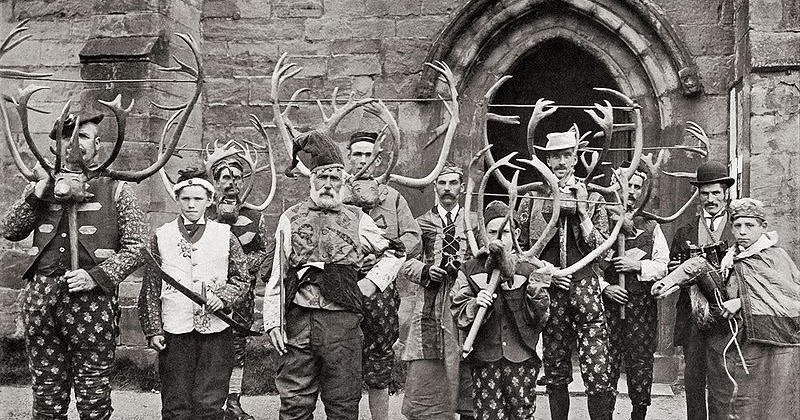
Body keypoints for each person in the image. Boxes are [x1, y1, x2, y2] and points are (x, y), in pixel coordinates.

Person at [0, 113, 147, 419]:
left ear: (98, 145)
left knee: (93, 395)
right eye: (67, 136)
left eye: (83, 136)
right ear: (56, 146)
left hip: (92, 303)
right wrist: (39, 191)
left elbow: (137, 248)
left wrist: (96, 276)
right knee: (46, 393)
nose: (74, 142)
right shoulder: (42, 185)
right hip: (42, 300)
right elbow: (10, 229)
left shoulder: (117, 189)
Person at [262, 130, 406, 420]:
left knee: (342, 403)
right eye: (322, 179)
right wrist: (272, 321)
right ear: (312, 181)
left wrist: (370, 283)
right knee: (294, 402)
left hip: (343, 323)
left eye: (334, 180)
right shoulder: (290, 217)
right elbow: (278, 270)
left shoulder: (358, 219)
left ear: (342, 184)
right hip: (299, 319)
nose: (328, 186)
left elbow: (396, 252)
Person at [516, 126, 613, 420]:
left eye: (566, 156)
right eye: (554, 156)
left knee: (598, 372)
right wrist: (547, 274)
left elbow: (605, 253)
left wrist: (583, 212)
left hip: (586, 293)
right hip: (551, 294)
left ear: (575, 158)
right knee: (556, 371)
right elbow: (520, 253)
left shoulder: (594, 198)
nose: (560, 162)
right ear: (547, 159)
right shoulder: (531, 199)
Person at [138, 167, 250, 420]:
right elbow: (150, 288)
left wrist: (223, 296)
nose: (191, 204)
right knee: (176, 402)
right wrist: (154, 329)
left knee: (209, 404)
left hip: (215, 333)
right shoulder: (161, 236)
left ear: (209, 201)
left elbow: (242, 278)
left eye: (198, 199)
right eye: (185, 198)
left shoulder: (224, 235)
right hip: (175, 332)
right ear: (177, 199)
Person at [344, 131, 422, 420]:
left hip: (381, 290)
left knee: (379, 357)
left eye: (369, 155)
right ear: (348, 157)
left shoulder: (392, 197)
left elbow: (413, 237)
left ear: (377, 160)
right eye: (358, 154)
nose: (363, 160)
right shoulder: (336, 192)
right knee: (342, 359)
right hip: (344, 286)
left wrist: (384, 252)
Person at [451, 200, 551, 420]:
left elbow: (539, 317)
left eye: (505, 232)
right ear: (482, 235)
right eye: (492, 232)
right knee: (488, 414)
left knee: (522, 413)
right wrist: (476, 303)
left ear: (515, 234)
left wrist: (538, 284)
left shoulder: (530, 268)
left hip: (521, 357)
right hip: (485, 358)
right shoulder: (469, 270)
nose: (499, 238)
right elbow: (457, 309)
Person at [705, 198, 800, 419]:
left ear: (763, 227)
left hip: (765, 345)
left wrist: (742, 302)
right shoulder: (730, 257)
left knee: (761, 400)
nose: (742, 232)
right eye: (737, 226)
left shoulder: (775, 257)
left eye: (750, 226)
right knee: (731, 399)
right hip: (734, 341)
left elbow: (788, 297)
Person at [399, 162, 478, 420]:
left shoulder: (473, 222)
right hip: (430, 307)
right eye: (442, 183)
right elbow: (404, 261)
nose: (447, 189)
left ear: (462, 187)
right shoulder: (422, 223)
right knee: (428, 373)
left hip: (465, 304)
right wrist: (425, 270)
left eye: (453, 183)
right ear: (435, 187)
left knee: (469, 372)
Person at [205, 147, 271, 420]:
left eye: (237, 177)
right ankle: (209, 404)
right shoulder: (205, 214)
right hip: (209, 294)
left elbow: (263, 252)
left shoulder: (255, 217)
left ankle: (233, 402)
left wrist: (239, 267)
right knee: (209, 348)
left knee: (237, 349)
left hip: (241, 296)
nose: (232, 183)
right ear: (216, 182)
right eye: (225, 177)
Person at [668, 161, 736, 420]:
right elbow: (671, 271)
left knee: (723, 381)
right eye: (705, 193)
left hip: (727, 316)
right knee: (694, 381)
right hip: (693, 317)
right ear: (698, 195)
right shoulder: (684, 232)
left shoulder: (736, 229)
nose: (710, 199)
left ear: (725, 193)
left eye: (716, 193)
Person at [600, 162, 669, 420]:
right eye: (625, 185)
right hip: (607, 308)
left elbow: (663, 266)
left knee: (640, 363)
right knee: (604, 366)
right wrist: (606, 287)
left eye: (636, 187)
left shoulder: (652, 227)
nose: (630, 191)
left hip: (640, 308)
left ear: (642, 191)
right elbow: (586, 265)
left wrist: (636, 265)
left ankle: (638, 414)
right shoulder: (599, 224)